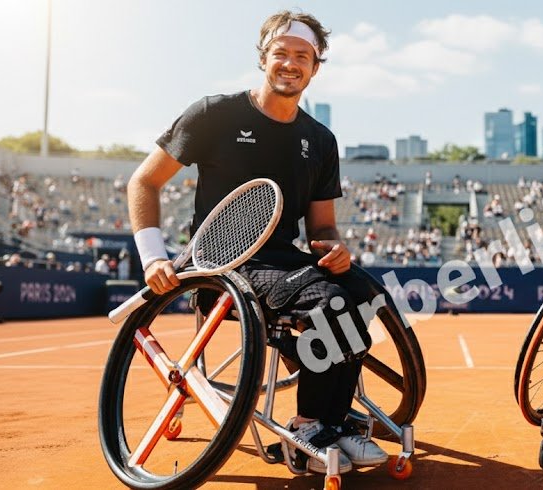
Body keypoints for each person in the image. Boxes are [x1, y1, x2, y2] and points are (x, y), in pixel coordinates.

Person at [125, 10, 385, 475]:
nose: (290, 63)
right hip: (219, 261)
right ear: (263, 58)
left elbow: (321, 229)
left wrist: (335, 248)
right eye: (280, 53)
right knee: (330, 304)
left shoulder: (320, 138)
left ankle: (333, 420)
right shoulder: (214, 113)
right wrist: (152, 258)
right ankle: (308, 426)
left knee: (364, 296)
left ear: (316, 67)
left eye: (302, 56)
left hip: (284, 260)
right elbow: (144, 182)